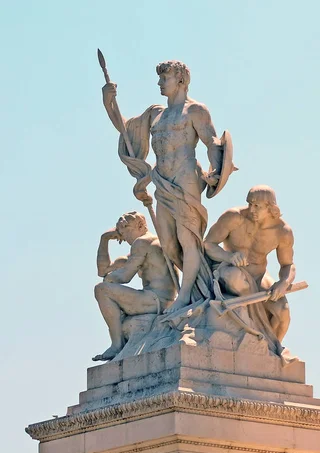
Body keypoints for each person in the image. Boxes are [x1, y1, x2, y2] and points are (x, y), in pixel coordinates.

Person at [102, 60, 227, 312]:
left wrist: (215, 169)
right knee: (169, 244)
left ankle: (184, 296)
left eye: (164, 78)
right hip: (162, 182)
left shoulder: (195, 111)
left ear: (180, 80)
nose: (159, 83)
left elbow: (213, 142)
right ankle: (198, 286)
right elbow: (125, 128)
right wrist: (109, 102)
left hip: (186, 179)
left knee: (187, 239)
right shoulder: (155, 114)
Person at [204, 185, 295, 342]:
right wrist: (228, 256)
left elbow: (287, 265)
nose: (251, 209)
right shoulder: (234, 217)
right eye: (249, 204)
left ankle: (272, 351)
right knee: (235, 278)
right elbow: (208, 244)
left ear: (270, 208)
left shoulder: (282, 231)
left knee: (283, 313)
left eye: (257, 206)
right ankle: (256, 333)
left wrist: (284, 282)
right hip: (230, 270)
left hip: (259, 276)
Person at [93, 211, 176, 361]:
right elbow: (103, 270)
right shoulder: (142, 247)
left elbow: (124, 277)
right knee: (105, 287)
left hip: (156, 300)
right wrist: (104, 239)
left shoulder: (143, 243)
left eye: (126, 230)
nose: (123, 236)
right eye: (120, 231)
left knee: (101, 290)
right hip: (156, 300)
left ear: (140, 226)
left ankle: (117, 345)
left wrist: (109, 280)